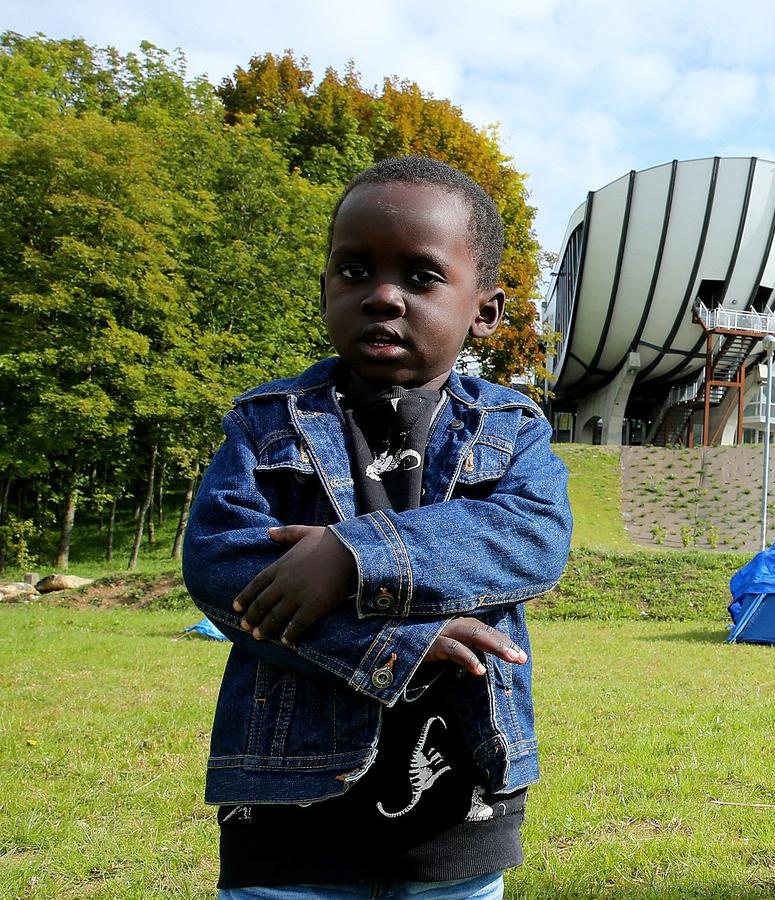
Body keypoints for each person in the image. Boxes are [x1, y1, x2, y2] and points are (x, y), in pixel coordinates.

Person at [183, 156, 572, 899]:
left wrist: (353, 554)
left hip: (459, 801)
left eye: (422, 277)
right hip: (286, 805)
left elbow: (533, 536)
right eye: (354, 272)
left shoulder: (512, 427)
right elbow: (219, 565)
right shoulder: (267, 423)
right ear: (324, 288)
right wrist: (399, 643)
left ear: (484, 311)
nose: (383, 296)